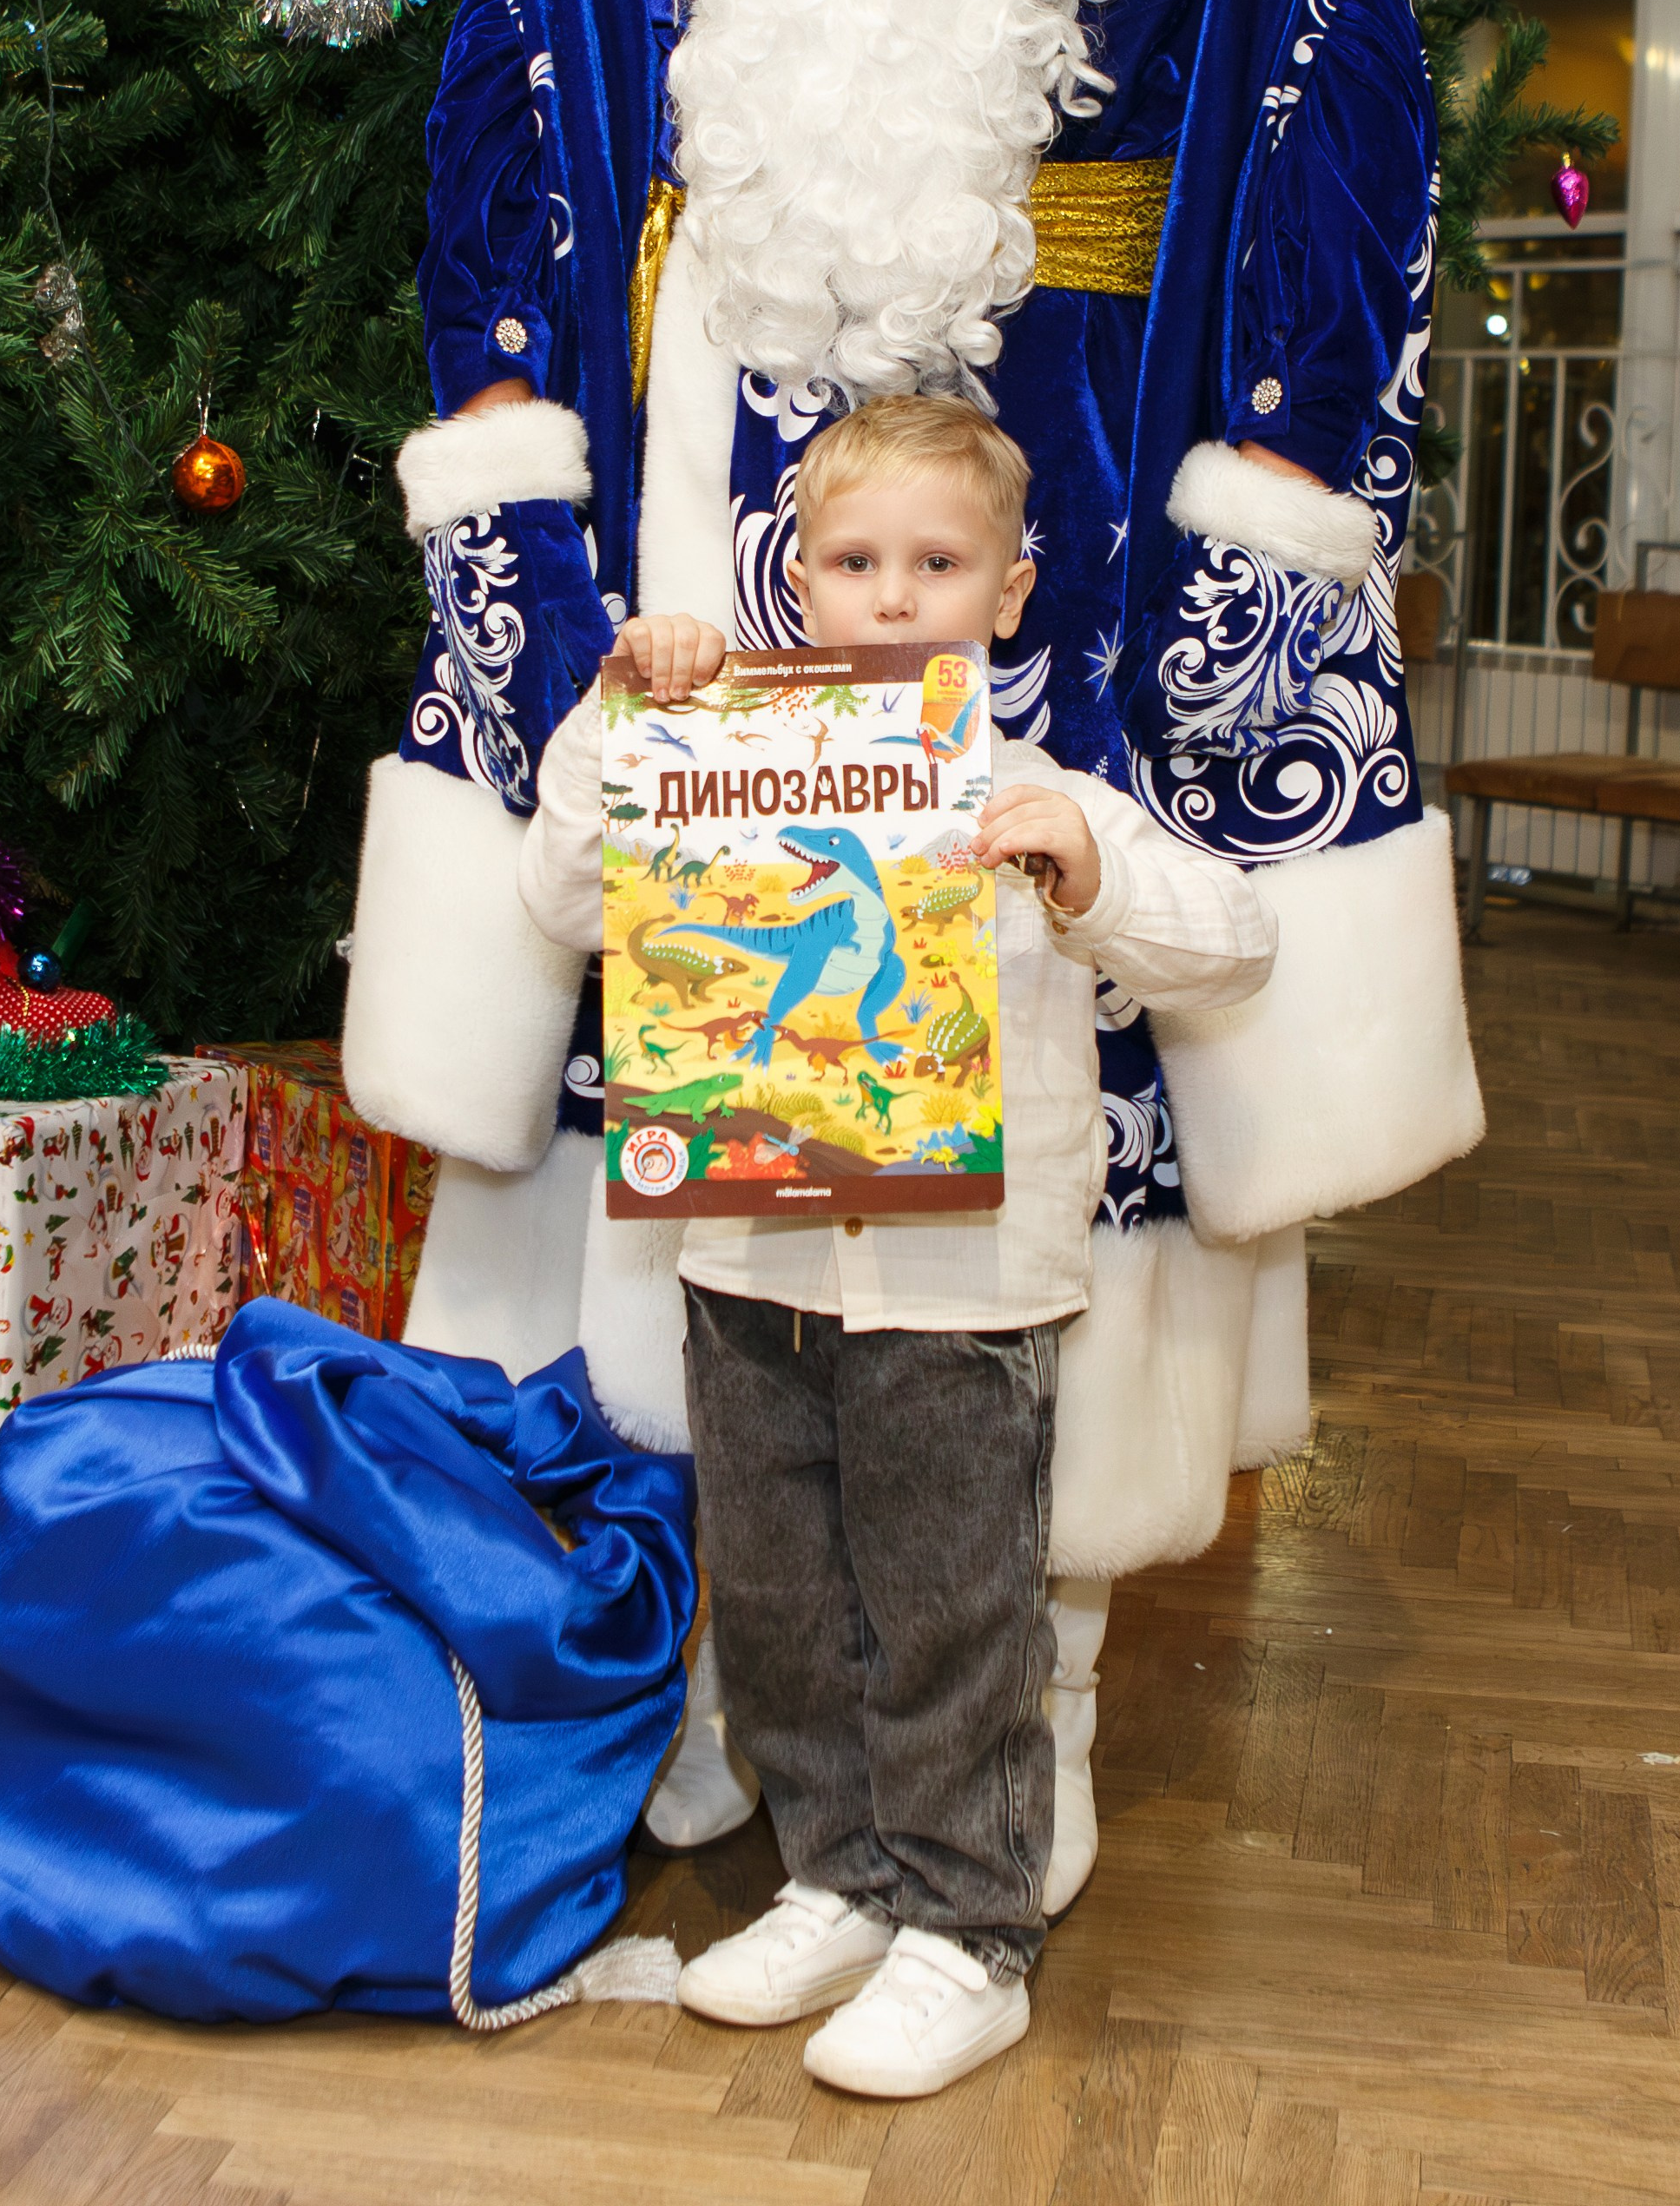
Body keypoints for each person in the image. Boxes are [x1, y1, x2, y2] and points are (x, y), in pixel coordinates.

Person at [345, 0, 1498, 1883]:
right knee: (699, 1156)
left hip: (1067, 548)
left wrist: (1261, 519)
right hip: (705, 526)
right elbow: (513, 159)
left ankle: (1024, 1709)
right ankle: (759, 1685)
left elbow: (1345, 181)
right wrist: (517, 519)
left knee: (1016, 1164)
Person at [512, 397, 1276, 2097]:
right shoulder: (715, 761)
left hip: (964, 1284)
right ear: (799, 577)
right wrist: (615, 713)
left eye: (934, 564)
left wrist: (1084, 874)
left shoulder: (1039, 791)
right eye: (854, 562)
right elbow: (565, 902)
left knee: (948, 1611)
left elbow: (1229, 946)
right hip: (748, 1270)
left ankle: (967, 1931)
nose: (890, 594)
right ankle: (838, 1876)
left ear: (1006, 593)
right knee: (783, 1607)